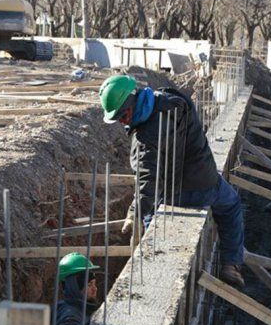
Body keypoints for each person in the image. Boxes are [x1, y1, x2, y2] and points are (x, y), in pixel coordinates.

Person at [99, 74, 245, 287]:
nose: (123, 121)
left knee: (151, 219)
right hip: (206, 181)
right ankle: (231, 263)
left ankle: (146, 268)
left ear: (132, 101)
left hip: (173, 197)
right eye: (119, 118)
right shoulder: (175, 100)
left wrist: (135, 212)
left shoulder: (144, 141)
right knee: (231, 204)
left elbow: (148, 182)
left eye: (123, 114)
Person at [53, 252, 99, 325]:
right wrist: (95, 324)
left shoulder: (79, 308)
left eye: (94, 284)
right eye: (89, 284)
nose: (95, 289)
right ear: (75, 287)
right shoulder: (69, 312)